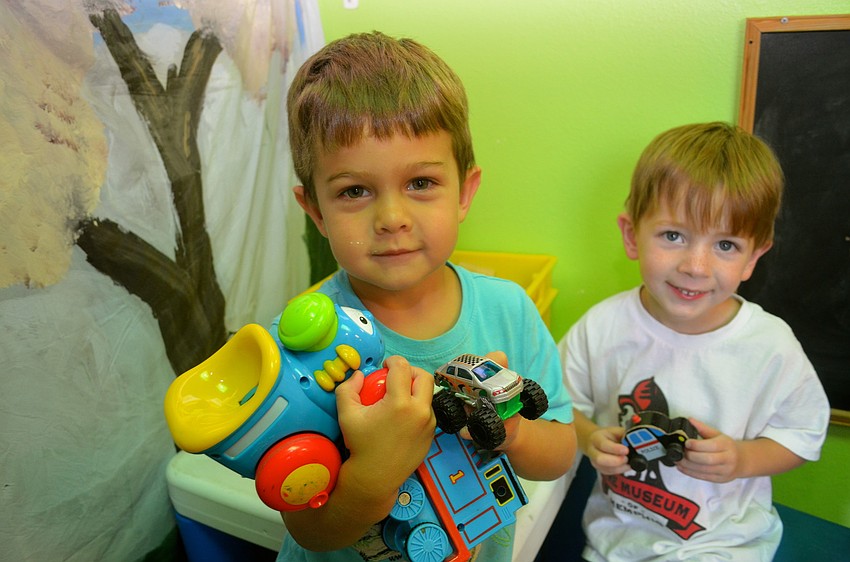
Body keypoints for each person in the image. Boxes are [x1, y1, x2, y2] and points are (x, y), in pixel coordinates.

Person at [279, 31, 577, 562]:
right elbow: (311, 531)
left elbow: (559, 454)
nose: (392, 218)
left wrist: (510, 431)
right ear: (316, 211)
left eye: (420, 183)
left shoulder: (509, 309)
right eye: (354, 191)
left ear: (465, 191)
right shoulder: (301, 345)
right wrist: (376, 468)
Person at [560, 121, 830, 561]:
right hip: (616, 541)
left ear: (753, 257)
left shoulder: (771, 345)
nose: (696, 267)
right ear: (631, 235)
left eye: (726, 245)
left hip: (724, 544)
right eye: (673, 236)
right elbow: (559, 405)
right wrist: (590, 438)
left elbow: (802, 436)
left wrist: (741, 459)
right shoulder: (602, 326)